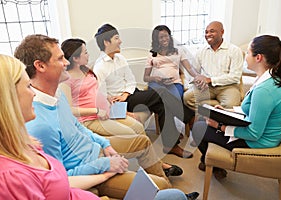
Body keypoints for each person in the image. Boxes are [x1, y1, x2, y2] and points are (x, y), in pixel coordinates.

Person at [14, 34, 199, 200]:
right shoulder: (38, 124)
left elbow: (79, 128)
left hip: (97, 150)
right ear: (40, 66)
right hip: (90, 171)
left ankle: (167, 184)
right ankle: (169, 192)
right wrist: (105, 164)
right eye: (61, 58)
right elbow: (63, 178)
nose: (66, 62)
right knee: (161, 188)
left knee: (142, 140)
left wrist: (105, 144)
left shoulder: (56, 95)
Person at [0, 52, 100, 200]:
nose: (33, 94)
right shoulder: (8, 179)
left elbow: (59, 187)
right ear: (6, 99)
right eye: (28, 86)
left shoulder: (24, 142)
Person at [93, 23, 195, 159]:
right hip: (120, 103)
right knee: (162, 93)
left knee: (162, 104)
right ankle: (190, 118)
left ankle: (170, 145)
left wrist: (126, 93)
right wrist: (122, 100)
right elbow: (103, 97)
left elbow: (131, 81)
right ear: (106, 42)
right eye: (117, 38)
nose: (120, 41)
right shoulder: (99, 67)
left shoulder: (121, 59)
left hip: (130, 94)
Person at [192, 35, 281, 179]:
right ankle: (210, 162)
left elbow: (254, 134)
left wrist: (219, 126)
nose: (245, 57)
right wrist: (226, 111)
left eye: (248, 53)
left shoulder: (265, 91)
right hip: (261, 132)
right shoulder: (270, 78)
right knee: (202, 121)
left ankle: (213, 164)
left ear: (258, 57)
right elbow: (254, 110)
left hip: (258, 142)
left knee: (198, 128)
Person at [60, 38, 146, 136]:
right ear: (75, 58)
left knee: (138, 127)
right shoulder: (66, 80)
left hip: (106, 112)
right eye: (86, 53)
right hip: (89, 119)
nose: (88, 55)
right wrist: (96, 111)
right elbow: (70, 110)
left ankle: (143, 150)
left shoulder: (85, 70)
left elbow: (95, 90)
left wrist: (108, 98)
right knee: (130, 134)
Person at [184, 21, 244, 110]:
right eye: (206, 32)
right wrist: (197, 81)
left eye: (212, 31)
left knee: (231, 105)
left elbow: (235, 76)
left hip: (228, 86)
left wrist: (210, 80)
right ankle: (214, 114)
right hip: (207, 87)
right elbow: (194, 72)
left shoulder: (235, 51)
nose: (208, 34)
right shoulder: (201, 51)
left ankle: (214, 117)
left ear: (222, 32)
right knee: (188, 98)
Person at [144, 25, 199, 100]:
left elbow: (189, 68)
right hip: (156, 84)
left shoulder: (178, 51)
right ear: (156, 40)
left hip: (175, 83)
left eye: (166, 36)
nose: (164, 39)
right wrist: (155, 78)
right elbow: (145, 78)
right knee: (158, 98)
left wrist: (198, 77)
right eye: (161, 37)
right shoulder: (152, 54)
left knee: (174, 99)